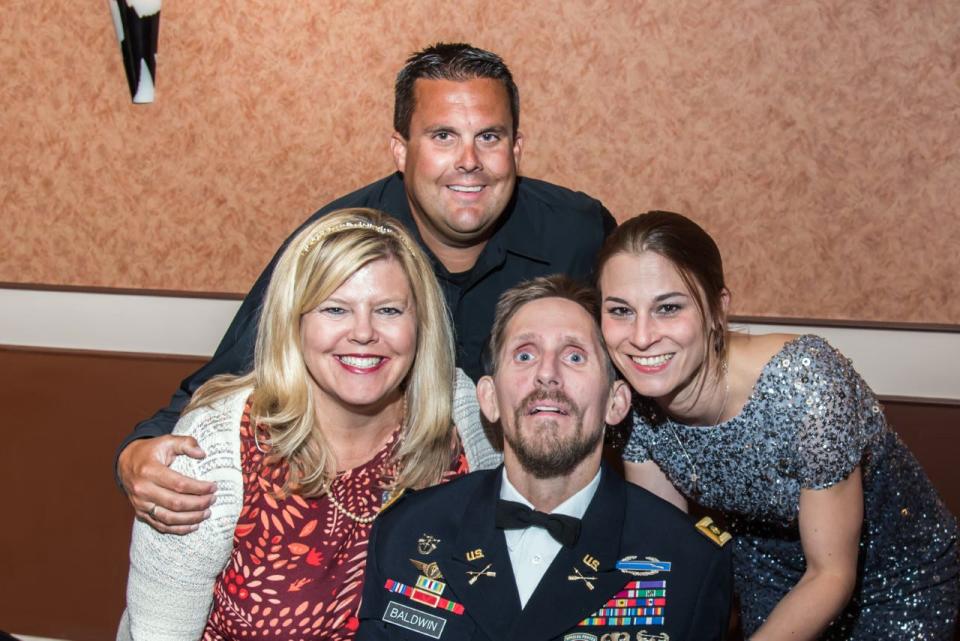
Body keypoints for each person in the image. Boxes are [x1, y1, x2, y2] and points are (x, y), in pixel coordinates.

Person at [116, 42, 615, 535]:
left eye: (489, 137)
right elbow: (231, 371)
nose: (469, 160)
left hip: (553, 510)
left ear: (516, 148)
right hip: (371, 523)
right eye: (443, 135)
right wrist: (138, 451)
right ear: (400, 150)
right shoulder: (339, 244)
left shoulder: (577, 235)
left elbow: (635, 367)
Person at [118, 208, 496, 640]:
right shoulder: (215, 450)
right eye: (335, 309)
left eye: (389, 310)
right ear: (293, 322)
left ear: (420, 324)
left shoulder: (461, 414)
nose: (363, 333)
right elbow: (158, 632)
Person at [596, 210, 960, 640]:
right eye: (620, 311)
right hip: (763, 571)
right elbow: (665, 551)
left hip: (894, 579)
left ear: (717, 308)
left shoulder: (807, 383)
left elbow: (830, 574)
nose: (640, 337)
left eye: (668, 308)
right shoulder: (631, 397)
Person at [355, 275, 733, 641]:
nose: (547, 375)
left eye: (574, 355)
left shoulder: (688, 562)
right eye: (525, 354)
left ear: (615, 403)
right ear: (489, 398)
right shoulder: (406, 530)